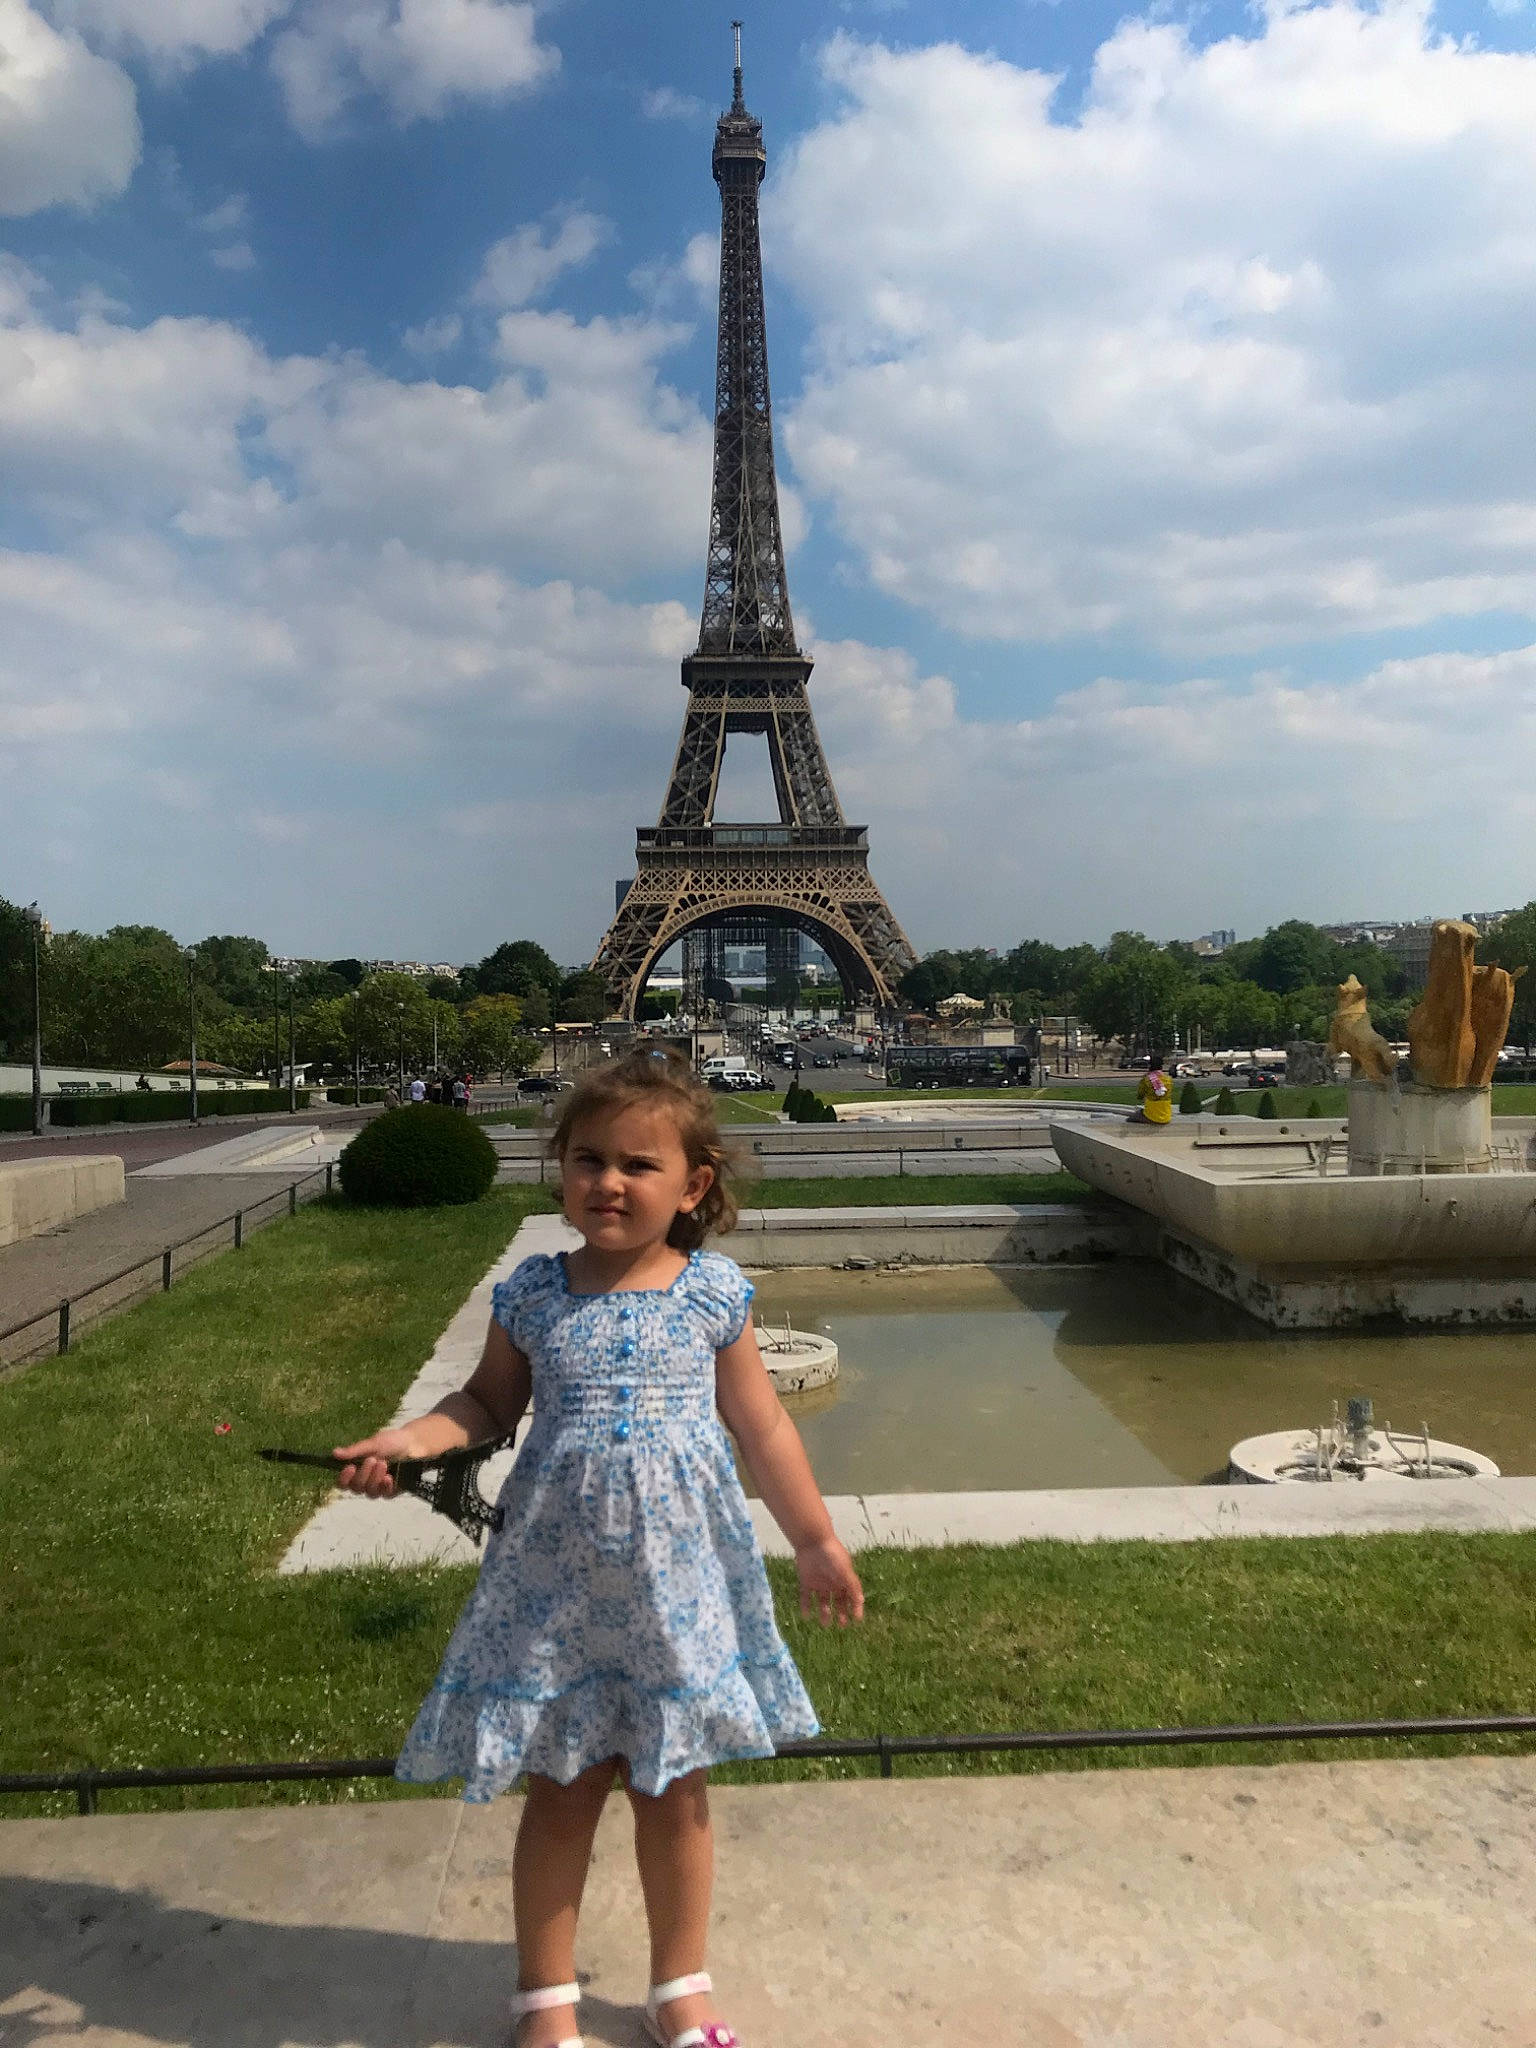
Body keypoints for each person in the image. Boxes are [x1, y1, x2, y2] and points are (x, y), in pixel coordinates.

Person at [333, 1048, 861, 2048]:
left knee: (677, 1791)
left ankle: (682, 1987)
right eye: (586, 1159)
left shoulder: (713, 1295)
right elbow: (486, 1402)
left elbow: (766, 1429)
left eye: (637, 1163)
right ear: (561, 1169)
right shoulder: (533, 1291)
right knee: (562, 1790)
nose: (608, 1181)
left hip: (677, 1586)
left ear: (693, 1184)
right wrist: (406, 1441)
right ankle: (547, 2002)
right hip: (557, 1588)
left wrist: (817, 1538)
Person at [1132, 1050, 1174, 1125]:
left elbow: (1140, 1095)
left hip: (1152, 1116)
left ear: (1149, 1066)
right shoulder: (1168, 1079)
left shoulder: (1146, 1079)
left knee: (1132, 1117)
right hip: (1166, 1115)